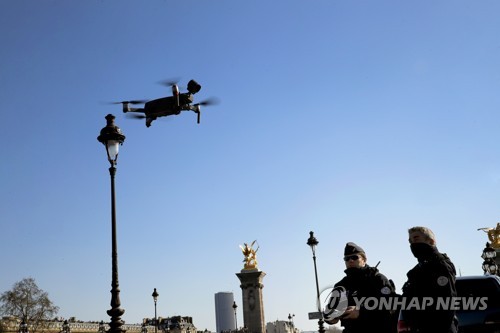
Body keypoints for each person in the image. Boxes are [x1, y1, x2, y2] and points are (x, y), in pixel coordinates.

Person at [325, 242, 397, 333]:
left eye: (354, 257)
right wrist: (330, 318)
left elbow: (391, 306)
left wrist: (361, 312)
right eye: (347, 259)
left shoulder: (378, 279)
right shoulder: (341, 285)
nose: (350, 260)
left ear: (364, 259)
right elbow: (331, 310)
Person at [401, 226, 458, 333]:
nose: (412, 244)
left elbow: (448, 302)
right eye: (410, 241)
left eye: (416, 239)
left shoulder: (440, 266)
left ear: (431, 241)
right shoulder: (418, 270)